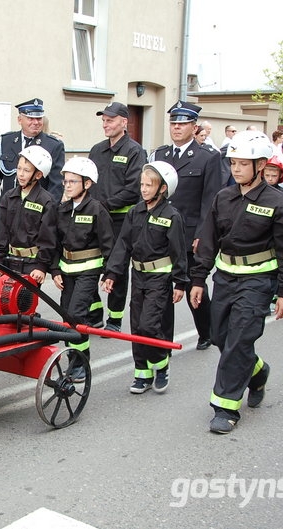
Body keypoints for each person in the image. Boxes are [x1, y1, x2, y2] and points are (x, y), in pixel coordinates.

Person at [190, 131, 283, 434]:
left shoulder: (277, 203)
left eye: (243, 163)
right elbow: (209, 241)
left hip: (257, 282)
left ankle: (225, 407)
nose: (236, 169)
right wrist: (198, 279)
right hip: (225, 278)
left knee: (239, 339)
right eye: (233, 163)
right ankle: (257, 370)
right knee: (219, 337)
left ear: (261, 165)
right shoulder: (223, 198)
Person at [102, 161, 188, 394]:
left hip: (160, 278)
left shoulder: (172, 216)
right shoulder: (135, 212)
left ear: (163, 188)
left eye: (150, 185)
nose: (144, 189)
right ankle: (142, 372)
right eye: (142, 184)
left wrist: (180, 282)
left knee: (150, 325)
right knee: (137, 326)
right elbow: (123, 246)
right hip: (138, 275)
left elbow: (179, 251)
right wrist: (112, 273)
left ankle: (161, 364)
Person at [150, 100, 223, 351]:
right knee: (161, 287)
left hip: (190, 233)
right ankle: (163, 339)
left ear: (194, 127)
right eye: (173, 123)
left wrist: (203, 234)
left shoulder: (209, 158)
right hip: (161, 232)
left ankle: (207, 331)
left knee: (195, 285)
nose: (177, 128)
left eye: (183, 124)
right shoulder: (160, 155)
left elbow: (210, 200)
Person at [50, 157, 113, 382]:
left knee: (76, 315)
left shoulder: (97, 209)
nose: (67, 185)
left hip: (89, 270)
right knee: (67, 316)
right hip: (67, 270)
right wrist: (55, 270)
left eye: (73, 181)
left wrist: (109, 273)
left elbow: (108, 244)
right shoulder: (63, 209)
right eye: (65, 181)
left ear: (87, 184)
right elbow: (55, 243)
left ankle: (80, 362)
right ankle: (74, 359)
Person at [87, 102, 145, 332]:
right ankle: (94, 313)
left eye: (110, 120)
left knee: (117, 269)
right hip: (95, 219)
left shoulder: (133, 150)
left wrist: (104, 206)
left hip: (120, 220)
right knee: (89, 264)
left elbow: (133, 189)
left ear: (124, 122)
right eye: (103, 120)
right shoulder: (96, 149)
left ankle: (114, 319)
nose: (105, 124)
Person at [0, 98, 66, 217]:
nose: (36, 122)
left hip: (34, 213)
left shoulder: (53, 145)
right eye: (30, 118)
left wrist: (47, 214)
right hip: (6, 210)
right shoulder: (5, 141)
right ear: (19, 120)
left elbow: (56, 186)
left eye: (39, 118)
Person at [0, 145, 57, 285]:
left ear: (38, 175)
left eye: (26, 170)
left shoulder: (46, 201)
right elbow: (2, 231)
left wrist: (41, 266)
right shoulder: (8, 197)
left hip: (32, 265)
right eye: (19, 168)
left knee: (25, 304)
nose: (20, 174)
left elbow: (48, 238)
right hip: (9, 261)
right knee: (6, 304)